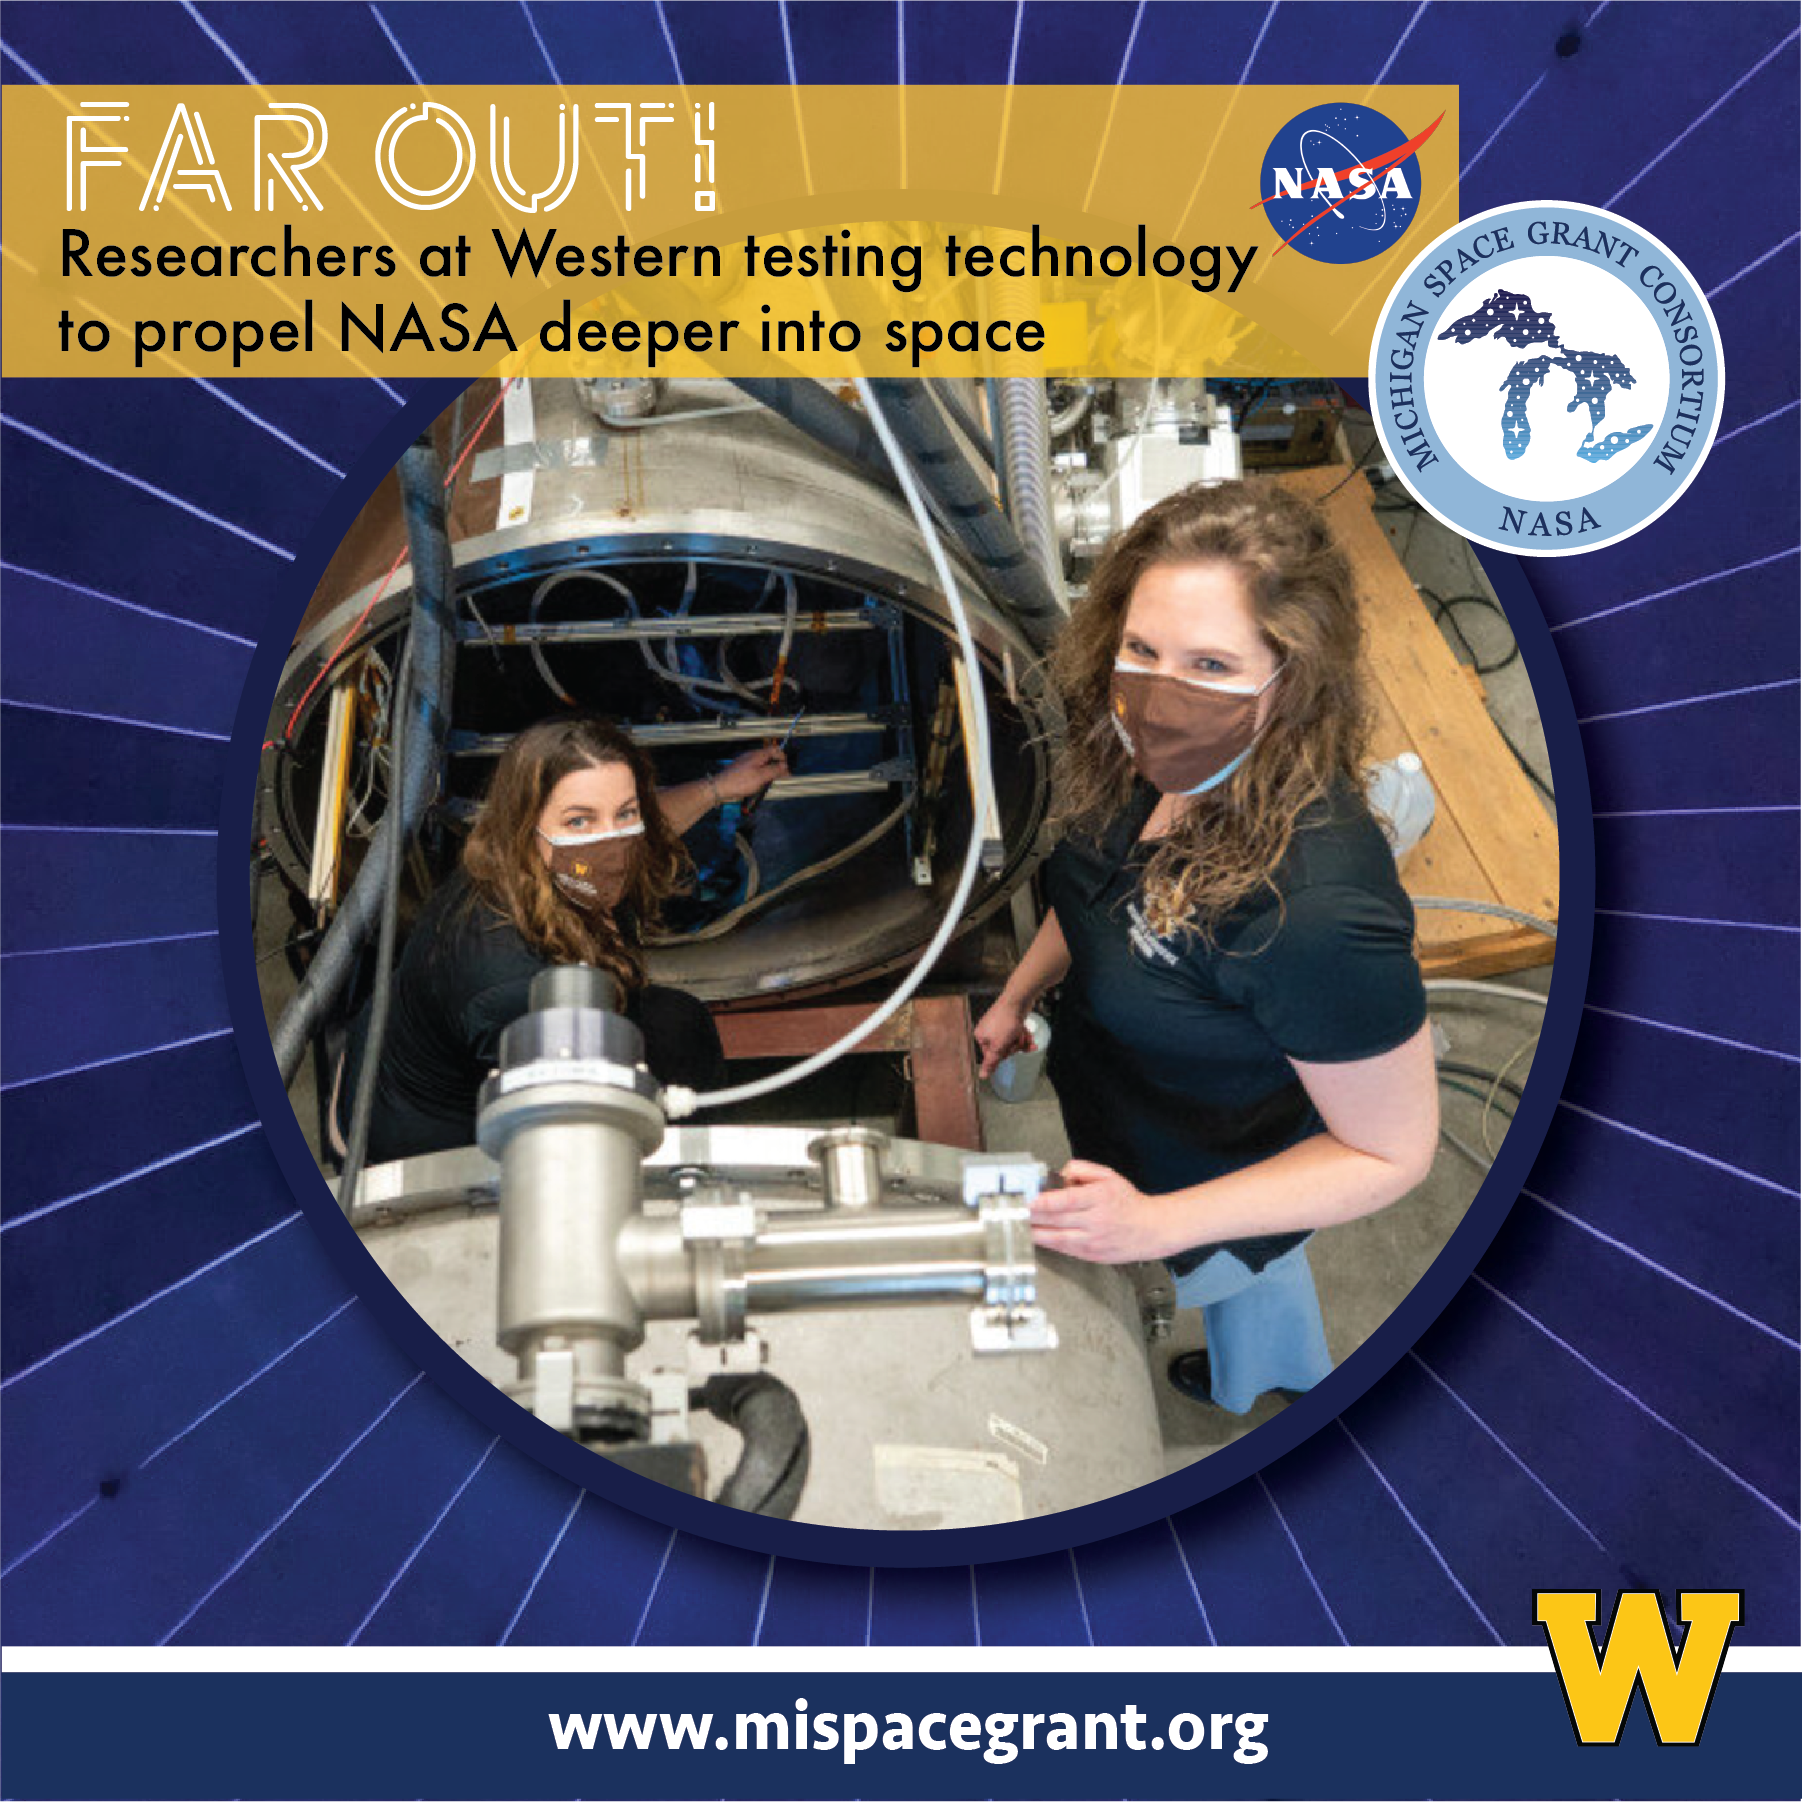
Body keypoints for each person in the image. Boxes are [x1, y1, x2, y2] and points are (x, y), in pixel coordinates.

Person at [974, 481, 1438, 1414]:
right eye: (1141, 650)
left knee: (1247, 1278)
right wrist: (1020, 992)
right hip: (1133, 1109)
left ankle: (1282, 1389)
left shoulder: (1314, 911)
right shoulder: (1130, 762)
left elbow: (1393, 1155)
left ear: (1295, 676)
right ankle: (1256, 1373)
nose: (1160, 695)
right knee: (1250, 1301)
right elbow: (1099, 897)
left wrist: (1155, 1223)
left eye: (1213, 665)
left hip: (1223, 1169)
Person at [337, 714, 786, 1164]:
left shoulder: (523, 859)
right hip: (426, 1147)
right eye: (578, 821)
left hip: (403, 1050)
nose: (610, 842)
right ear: (527, 824)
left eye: (624, 813)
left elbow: (650, 822)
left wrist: (718, 789)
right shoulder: (512, 982)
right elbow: (570, 1142)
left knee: (676, 1022)